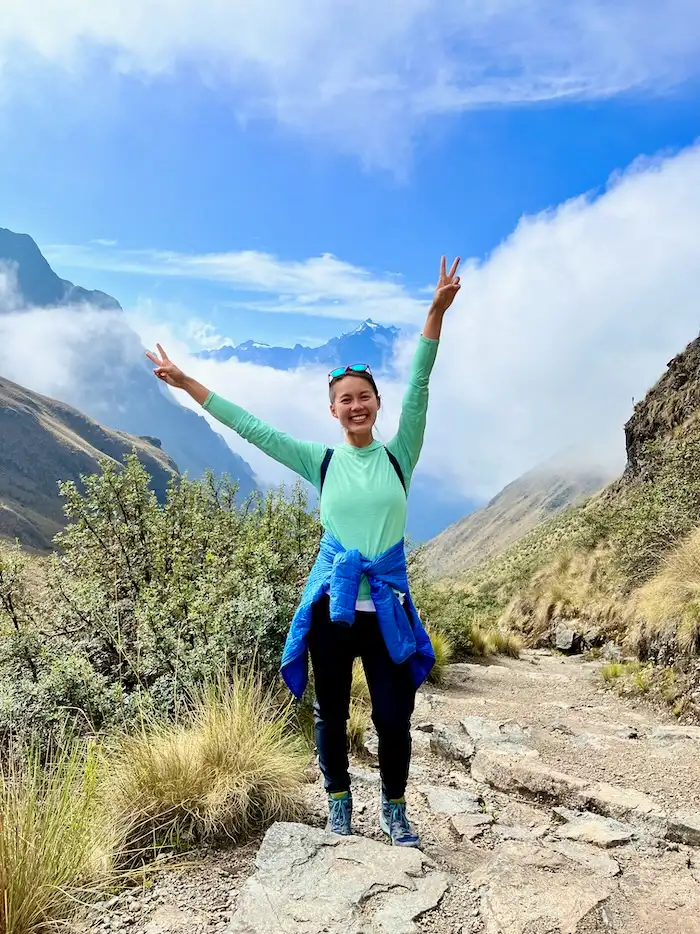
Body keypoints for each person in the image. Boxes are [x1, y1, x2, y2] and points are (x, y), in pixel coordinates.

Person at [146, 255, 461, 848]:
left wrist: (434, 313)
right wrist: (188, 383)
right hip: (332, 609)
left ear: (376, 403)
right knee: (331, 713)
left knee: (394, 717)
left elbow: (419, 384)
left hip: (387, 607)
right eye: (345, 399)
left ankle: (395, 809)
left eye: (364, 396)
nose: (356, 405)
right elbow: (252, 428)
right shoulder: (320, 461)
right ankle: (338, 803)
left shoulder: (400, 455)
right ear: (333, 409)